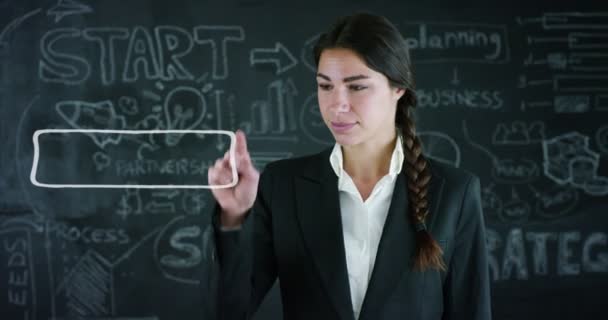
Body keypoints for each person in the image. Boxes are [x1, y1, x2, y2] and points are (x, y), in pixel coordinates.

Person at [207, 12, 491, 320]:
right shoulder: (282, 185)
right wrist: (233, 218)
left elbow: (471, 311)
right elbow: (228, 310)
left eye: (356, 87)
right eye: (325, 86)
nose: (337, 104)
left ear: (398, 88)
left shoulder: (454, 192)